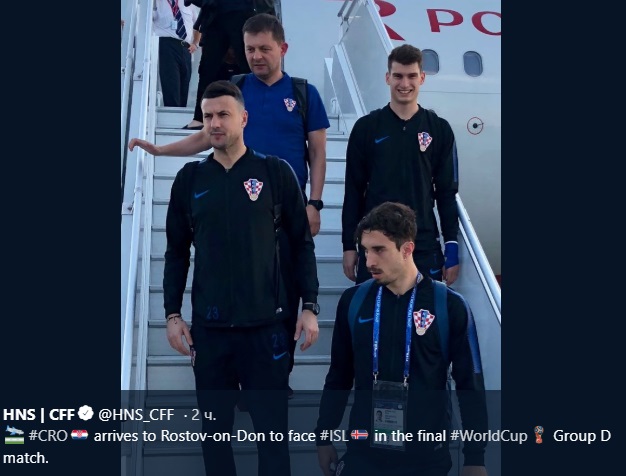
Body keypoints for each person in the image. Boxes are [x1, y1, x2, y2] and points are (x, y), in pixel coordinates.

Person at [129, 13, 330, 396]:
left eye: (264, 49)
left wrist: (315, 203)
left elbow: (318, 152)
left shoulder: (304, 93)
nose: (256, 56)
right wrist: (160, 150)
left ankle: (278, 375)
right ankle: (235, 375)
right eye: (250, 49)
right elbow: (207, 137)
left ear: (282, 49)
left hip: (283, 211)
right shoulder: (234, 90)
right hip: (233, 209)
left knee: (286, 295)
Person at [163, 80, 320, 476]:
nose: (215, 123)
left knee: (272, 440)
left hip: (266, 330)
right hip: (211, 333)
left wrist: (310, 306)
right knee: (215, 440)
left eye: (223, 114)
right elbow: (176, 252)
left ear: (243, 118)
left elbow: (302, 244)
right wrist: (172, 314)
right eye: (208, 116)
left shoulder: (275, 173)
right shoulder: (189, 180)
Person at [315, 202, 488, 476]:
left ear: (407, 249)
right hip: (364, 454)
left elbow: (471, 385)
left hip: (426, 458)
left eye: (379, 250)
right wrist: (324, 435)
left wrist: (475, 458)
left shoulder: (449, 305)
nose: (369, 262)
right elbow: (339, 374)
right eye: (365, 250)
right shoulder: (353, 301)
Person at [342, 44, 461, 287]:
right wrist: (348, 245)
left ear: (422, 78)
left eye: (411, 76)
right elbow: (353, 191)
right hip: (377, 244)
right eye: (398, 76)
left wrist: (451, 246)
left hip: (422, 244)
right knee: (375, 310)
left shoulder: (439, 129)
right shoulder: (366, 128)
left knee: (424, 312)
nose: (404, 83)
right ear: (387, 78)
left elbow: (446, 192)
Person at [182, 0, 257, 130]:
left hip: (241, 12)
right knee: (207, 69)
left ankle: (254, 114)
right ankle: (200, 117)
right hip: (216, 14)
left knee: (247, 66)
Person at [152, 0, 198, 107]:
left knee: (184, 87)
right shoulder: (156, 2)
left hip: (186, 48)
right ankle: (171, 114)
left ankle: (180, 115)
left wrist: (195, 43)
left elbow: (198, 25)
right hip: (167, 45)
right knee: (171, 86)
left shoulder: (188, 3)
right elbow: (145, 19)